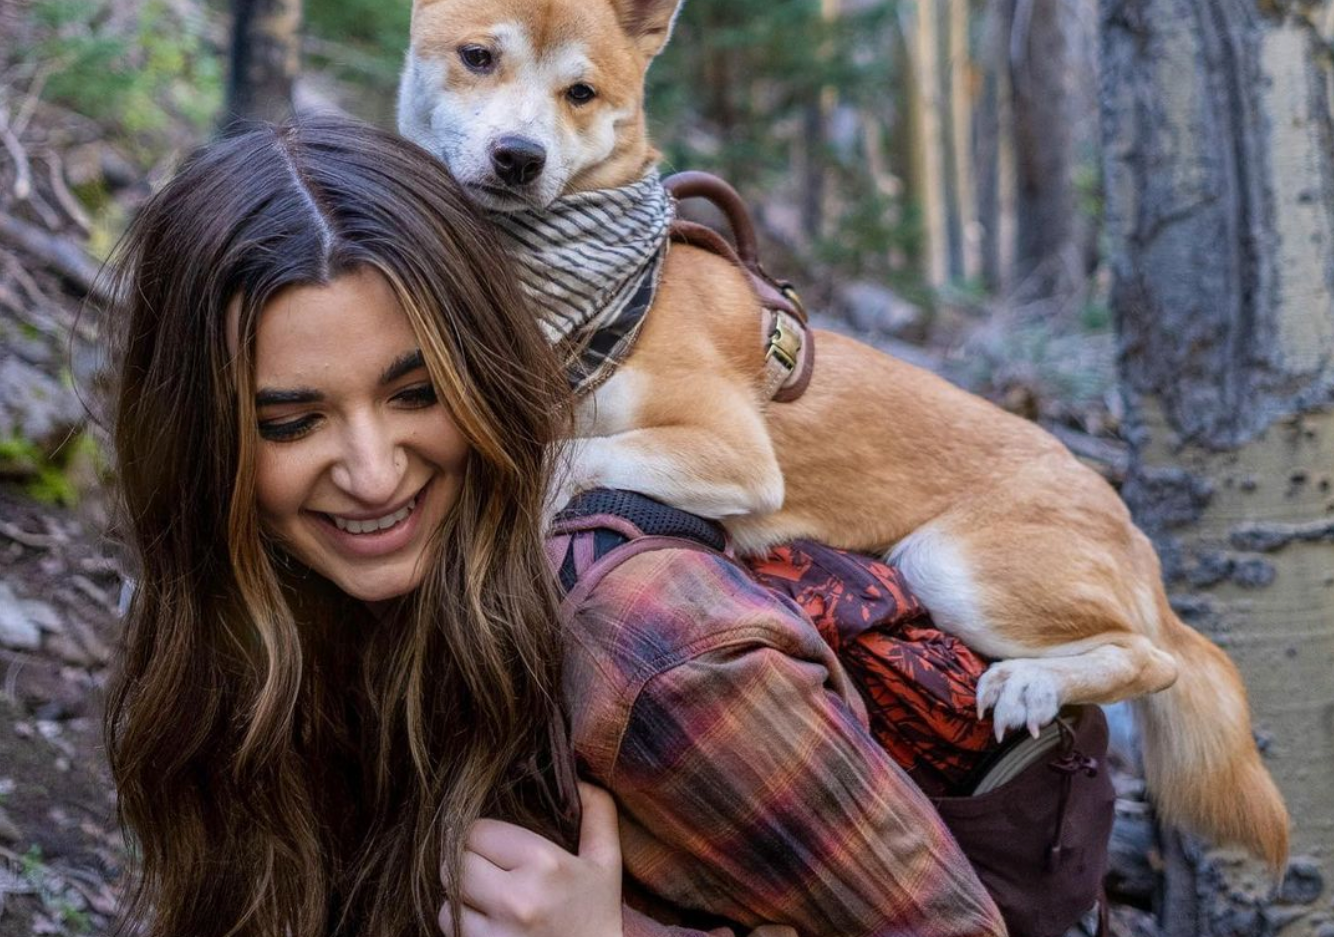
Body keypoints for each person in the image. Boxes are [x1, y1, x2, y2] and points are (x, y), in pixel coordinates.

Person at [103, 116, 1004, 937]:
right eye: (290, 422)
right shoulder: (260, 613)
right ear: (199, 437)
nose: (374, 474)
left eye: (419, 394)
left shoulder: (657, 648)